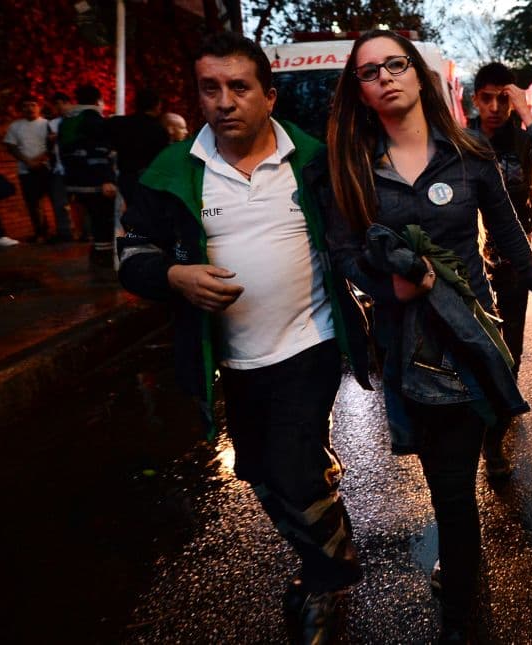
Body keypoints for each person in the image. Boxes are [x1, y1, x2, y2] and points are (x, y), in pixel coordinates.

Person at [117, 32, 371, 644]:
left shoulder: (313, 159)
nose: (225, 100)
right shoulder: (168, 174)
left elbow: (357, 233)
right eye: (211, 88)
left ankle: (327, 573)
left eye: (239, 87)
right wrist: (175, 275)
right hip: (230, 355)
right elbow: (129, 256)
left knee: (288, 462)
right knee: (257, 467)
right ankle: (324, 527)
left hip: (309, 341)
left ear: (269, 95)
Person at [322, 30, 532, 642]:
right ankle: (459, 565)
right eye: (370, 72)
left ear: (419, 76)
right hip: (402, 350)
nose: (385, 77)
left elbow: (509, 233)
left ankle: (458, 611)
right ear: (360, 91)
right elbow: (345, 253)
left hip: (467, 345)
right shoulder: (352, 167)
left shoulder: (469, 156)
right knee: (440, 481)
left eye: (396, 64)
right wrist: (387, 285)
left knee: (455, 491)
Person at [467, 62, 532, 478]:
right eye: (486, 98)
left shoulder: (521, 142)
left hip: (515, 267)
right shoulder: (462, 142)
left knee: (512, 352)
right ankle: (486, 429)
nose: (494, 106)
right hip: (469, 269)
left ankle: (496, 433)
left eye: (502, 98)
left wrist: (528, 116)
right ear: (475, 99)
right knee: (477, 352)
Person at [58, 84, 118, 267]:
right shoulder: (94, 120)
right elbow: (98, 152)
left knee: (93, 217)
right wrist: (107, 179)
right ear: (98, 100)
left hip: (74, 178)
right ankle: (103, 256)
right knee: (103, 218)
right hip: (95, 181)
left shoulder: (67, 121)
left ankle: (98, 252)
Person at [107, 88, 170, 207]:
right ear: (156, 105)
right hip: (150, 179)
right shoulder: (158, 130)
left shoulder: (119, 124)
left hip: (127, 178)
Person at [3, 95, 52, 242]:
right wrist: (27, 161)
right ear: (22, 109)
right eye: (26, 105)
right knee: (32, 202)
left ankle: (59, 232)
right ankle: (40, 232)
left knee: (54, 201)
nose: (30, 108)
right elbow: (11, 146)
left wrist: (38, 160)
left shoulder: (47, 124)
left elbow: (52, 145)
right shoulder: (15, 126)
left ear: (39, 107)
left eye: (33, 105)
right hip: (26, 170)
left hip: (47, 168)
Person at [46, 91, 75, 242]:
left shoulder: (77, 120)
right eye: (55, 105)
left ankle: (86, 232)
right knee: (59, 201)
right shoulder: (52, 123)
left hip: (76, 167)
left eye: (59, 104)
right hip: (59, 167)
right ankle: (64, 232)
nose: (58, 108)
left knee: (80, 201)